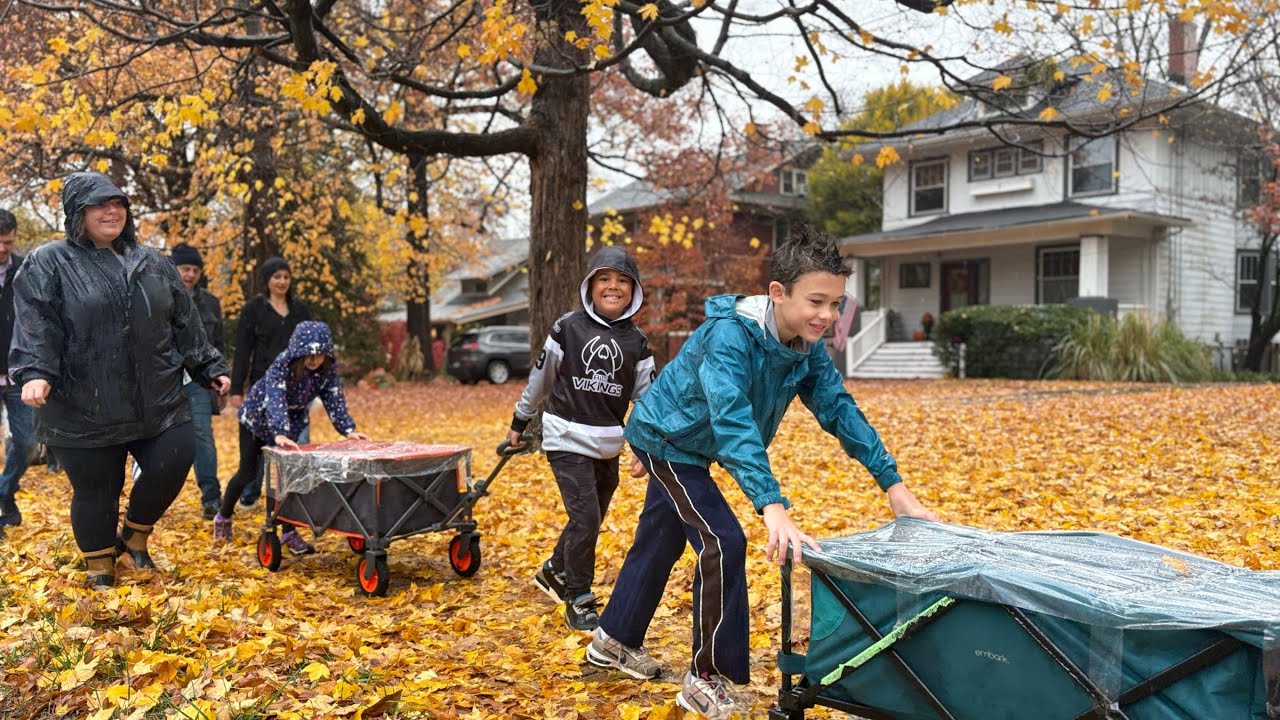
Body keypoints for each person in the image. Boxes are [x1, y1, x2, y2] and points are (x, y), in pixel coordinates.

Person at [584, 225, 938, 719]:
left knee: (660, 538)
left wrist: (893, 485)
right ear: (778, 293)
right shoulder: (732, 337)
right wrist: (771, 506)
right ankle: (706, 677)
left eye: (836, 304)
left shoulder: (805, 347)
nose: (828, 315)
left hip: (694, 441)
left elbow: (839, 410)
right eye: (816, 301)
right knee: (723, 541)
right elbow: (731, 419)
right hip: (668, 440)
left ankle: (613, 639)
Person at [9, 172, 229, 588]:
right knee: (98, 491)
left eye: (118, 203)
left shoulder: (153, 262)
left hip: (157, 397)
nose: (112, 211)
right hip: (83, 403)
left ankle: (135, 538)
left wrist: (207, 366)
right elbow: (36, 323)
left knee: (176, 458)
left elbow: (185, 320)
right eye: (99, 204)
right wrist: (36, 372)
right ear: (78, 212)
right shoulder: (49, 262)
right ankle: (100, 569)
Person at [508, 246, 655, 632]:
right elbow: (541, 377)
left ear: (634, 290)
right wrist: (520, 419)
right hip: (565, 434)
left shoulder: (637, 342)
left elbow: (647, 399)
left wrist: (648, 444)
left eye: (623, 280)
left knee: (591, 516)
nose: (613, 286)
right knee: (585, 516)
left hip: (609, 442)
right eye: (605, 279)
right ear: (590, 286)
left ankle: (555, 568)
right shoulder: (568, 327)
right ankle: (578, 596)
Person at [213, 320, 368, 553]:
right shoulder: (282, 365)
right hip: (258, 419)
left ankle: (288, 532)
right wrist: (279, 432)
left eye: (319, 355)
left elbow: (335, 399)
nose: (314, 360)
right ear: (298, 352)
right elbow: (275, 399)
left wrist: (348, 429)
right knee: (247, 472)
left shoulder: (326, 372)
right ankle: (223, 516)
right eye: (309, 355)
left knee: (288, 477)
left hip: (291, 422)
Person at [229, 256, 310, 506]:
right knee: (261, 444)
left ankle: (294, 502)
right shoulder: (254, 310)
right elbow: (243, 351)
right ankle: (251, 491)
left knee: (297, 443)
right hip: (262, 386)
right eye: (277, 277)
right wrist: (236, 388)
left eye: (286, 276)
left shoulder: (300, 310)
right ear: (267, 280)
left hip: (296, 387)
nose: (282, 281)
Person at [170, 243, 226, 520]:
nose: (190, 275)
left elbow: (218, 343)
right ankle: (151, 496)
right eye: (185, 269)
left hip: (198, 379)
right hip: (164, 379)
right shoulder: (160, 297)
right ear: (174, 268)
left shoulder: (211, 304)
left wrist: (220, 374)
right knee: (162, 440)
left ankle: (212, 498)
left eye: (195, 270)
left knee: (202, 435)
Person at [0, 209, 34, 538]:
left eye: (7, 242)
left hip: (17, 375)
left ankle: (4, 491)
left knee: (27, 443)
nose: (2, 249)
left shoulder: (25, 270)